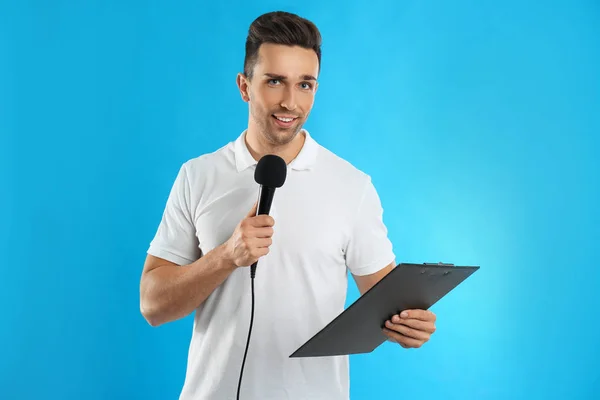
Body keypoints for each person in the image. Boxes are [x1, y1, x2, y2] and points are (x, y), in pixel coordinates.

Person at [139, 11, 437, 400]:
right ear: (244, 86)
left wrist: (409, 325)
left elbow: (386, 302)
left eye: (305, 84)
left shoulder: (352, 186)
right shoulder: (198, 175)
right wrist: (226, 256)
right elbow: (153, 304)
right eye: (275, 81)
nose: (290, 102)